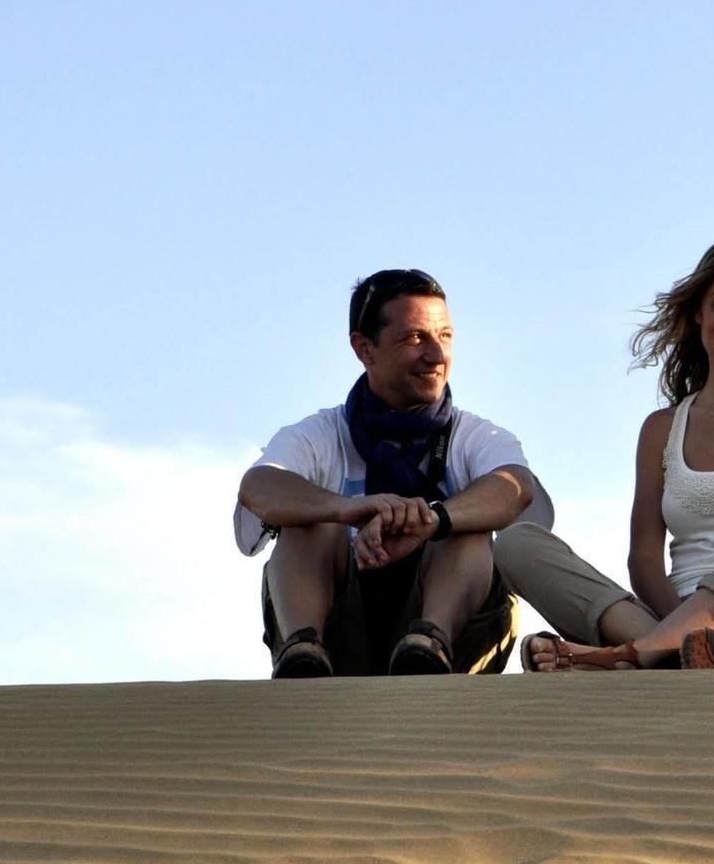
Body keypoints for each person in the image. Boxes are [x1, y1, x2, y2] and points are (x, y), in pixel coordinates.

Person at [494, 233, 714, 670]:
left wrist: (692, 627)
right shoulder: (661, 429)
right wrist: (684, 627)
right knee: (516, 543)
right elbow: (644, 558)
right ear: (698, 311)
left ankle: (640, 654)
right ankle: (688, 655)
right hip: (674, 623)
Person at [234, 268, 549, 679]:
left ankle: (429, 644)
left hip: (456, 645)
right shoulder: (320, 434)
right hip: (342, 634)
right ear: (364, 349)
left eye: (446, 336)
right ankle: (304, 650)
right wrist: (348, 509)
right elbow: (258, 487)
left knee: (467, 524)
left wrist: (433, 519)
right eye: (415, 338)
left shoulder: (476, 436)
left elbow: (516, 488)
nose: (437, 355)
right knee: (306, 517)